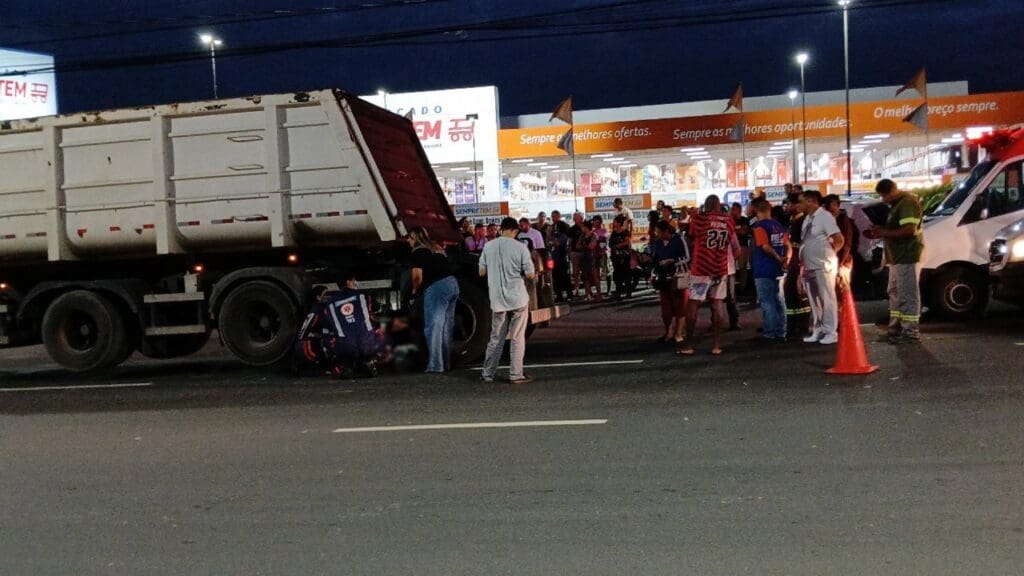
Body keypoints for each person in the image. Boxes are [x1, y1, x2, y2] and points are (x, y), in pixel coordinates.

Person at [864, 178, 924, 343]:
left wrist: (883, 232)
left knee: (907, 294)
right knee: (895, 292)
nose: (883, 200)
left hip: (907, 255)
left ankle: (911, 332)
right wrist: (880, 230)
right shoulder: (897, 205)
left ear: (891, 191)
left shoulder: (907, 203)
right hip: (896, 257)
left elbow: (909, 230)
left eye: (884, 196)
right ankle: (896, 328)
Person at [479, 217, 536, 384]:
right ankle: (516, 374)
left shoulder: (488, 246)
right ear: (514, 230)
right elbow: (530, 274)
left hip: (497, 299)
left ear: (500, 229)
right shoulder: (520, 247)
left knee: (496, 337)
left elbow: (481, 272)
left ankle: (487, 374)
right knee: (518, 336)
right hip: (517, 297)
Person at [679, 195, 736, 356]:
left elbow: (691, 236)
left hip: (701, 267)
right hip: (720, 267)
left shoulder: (699, 219)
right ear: (719, 205)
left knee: (693, 304)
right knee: (718, 305)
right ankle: (717, 345)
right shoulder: (729, 220)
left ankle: (688, 344)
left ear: (706, 205)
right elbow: (730, 240)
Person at [317, 272, 391, 377]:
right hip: (365, 344)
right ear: (348, 281)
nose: (355, 283)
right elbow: (373, 313)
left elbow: (328, 323)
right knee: (381, 333)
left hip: (345, 347)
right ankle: (368, 362)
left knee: (340, 339)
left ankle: (347, 366)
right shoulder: (362, 296)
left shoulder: (330, 302)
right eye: (354, 281)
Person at [407, 227, 459, 373]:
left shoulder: (417, 251)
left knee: (433, 328)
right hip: (452, 284)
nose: (408, 241)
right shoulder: (436, 248)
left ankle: (436, 365)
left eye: (409, 238)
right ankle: (447, 363)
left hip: (437, 288)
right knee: (446, 328)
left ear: (415, 238)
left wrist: (415, 290)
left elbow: (417, 276)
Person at [798, 190, 844, 345]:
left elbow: (839, 239)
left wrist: (830, 256)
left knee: (827, 298)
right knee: (814, 300)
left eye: (802, 201)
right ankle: (818, 329)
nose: (800, 204)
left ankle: (831, 331)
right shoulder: (807, 219)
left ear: (811, 201)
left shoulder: (824, 217)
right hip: (809, 266)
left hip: (823, 265)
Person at [751, 199, 791, 341]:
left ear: (756, 210)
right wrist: (785, 259)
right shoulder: (778, 226)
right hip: (778, 270)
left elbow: (765, 247)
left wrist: (778, 258)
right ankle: (781, 332)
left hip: (764, 268)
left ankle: (769, 333)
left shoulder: (759, 227)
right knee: (779, 301)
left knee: (767, 302)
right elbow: (788, 245)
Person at [651, 220, 688, 344]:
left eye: (659, 232)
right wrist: (653, 273)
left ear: (666, 231)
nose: (658, 234)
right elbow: (655, 260)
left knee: (680, 306)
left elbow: (687, 257)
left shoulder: (679, 239)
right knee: (666, 308)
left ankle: (679, 333)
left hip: (677, 276)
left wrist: (672, 261)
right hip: (663, 278)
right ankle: (669, 332)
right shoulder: (658, 243)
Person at [783, 193, 810, 338]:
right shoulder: (793, 222)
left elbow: (802, 247)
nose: (786, 207)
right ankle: (792, 325)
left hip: (799, 264)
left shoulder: (802, 222)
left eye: (788, 204)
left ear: (797, 205)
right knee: (791, 295)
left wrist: (801, 269)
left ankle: (802, 326)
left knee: (799, 296)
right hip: (793, 264)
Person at [823, 194, 856, 308]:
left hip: (842, 263)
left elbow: (847, 245)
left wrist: (839, 265)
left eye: (833, 207)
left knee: (841, 291)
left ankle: (841, 320)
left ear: (838, 206)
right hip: (831, 263)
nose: (831, 211)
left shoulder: (843, 221)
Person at [609, 215, 633, 299]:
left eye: (615, 222)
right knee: (617, 274)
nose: (613, 223)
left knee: (627, 273)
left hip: (624, 256)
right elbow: (610, 244)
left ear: (619, 223)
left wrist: (618, 245)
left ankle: (628, 292)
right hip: (615, 256)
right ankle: (618, 291)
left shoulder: (625, 232)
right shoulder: (613, 233)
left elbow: (627, 242)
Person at [576, 220, 601, 301]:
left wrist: (583, 245)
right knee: (585, 277)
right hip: (584, 257)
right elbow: (577, 246)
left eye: (583, 226)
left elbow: (592, 246)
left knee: (594, 276)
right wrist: (585, 245)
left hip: (592, 257)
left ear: (586, 227)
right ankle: (588, 294)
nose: (581, 228)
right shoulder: (582, 236)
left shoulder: (594, 235)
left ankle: (599, 294)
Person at [551, 219, 572, 302]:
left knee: (565, 277)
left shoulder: (563, 236)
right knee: (556, 278)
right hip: (555, 258)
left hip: (563, 259)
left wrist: (552, 240)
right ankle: (559, 295)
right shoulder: (556, 235)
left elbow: (557, 243)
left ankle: (569, 295)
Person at [569, 211, 586, 297]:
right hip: (575, 252)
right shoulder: (572, 229)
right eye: (576, 218)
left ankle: (588, 290)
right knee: (576, 273)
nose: (579, 220)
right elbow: (570, 242)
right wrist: (570, 253)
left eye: (580, 218)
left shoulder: (586, 227)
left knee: (586, 272)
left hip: (585, 252)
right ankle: (576, 289)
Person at [592, 215, 610, 294]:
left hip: (603, 253)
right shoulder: (592, 231)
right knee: (596, 273)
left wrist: (597, 239)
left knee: (607, 272)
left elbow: (604, 239)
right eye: (595, 222)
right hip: (595, 254)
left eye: (598, 222)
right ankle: (598, 291)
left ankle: (608, 290)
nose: (596, 224)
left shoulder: (604, 230)